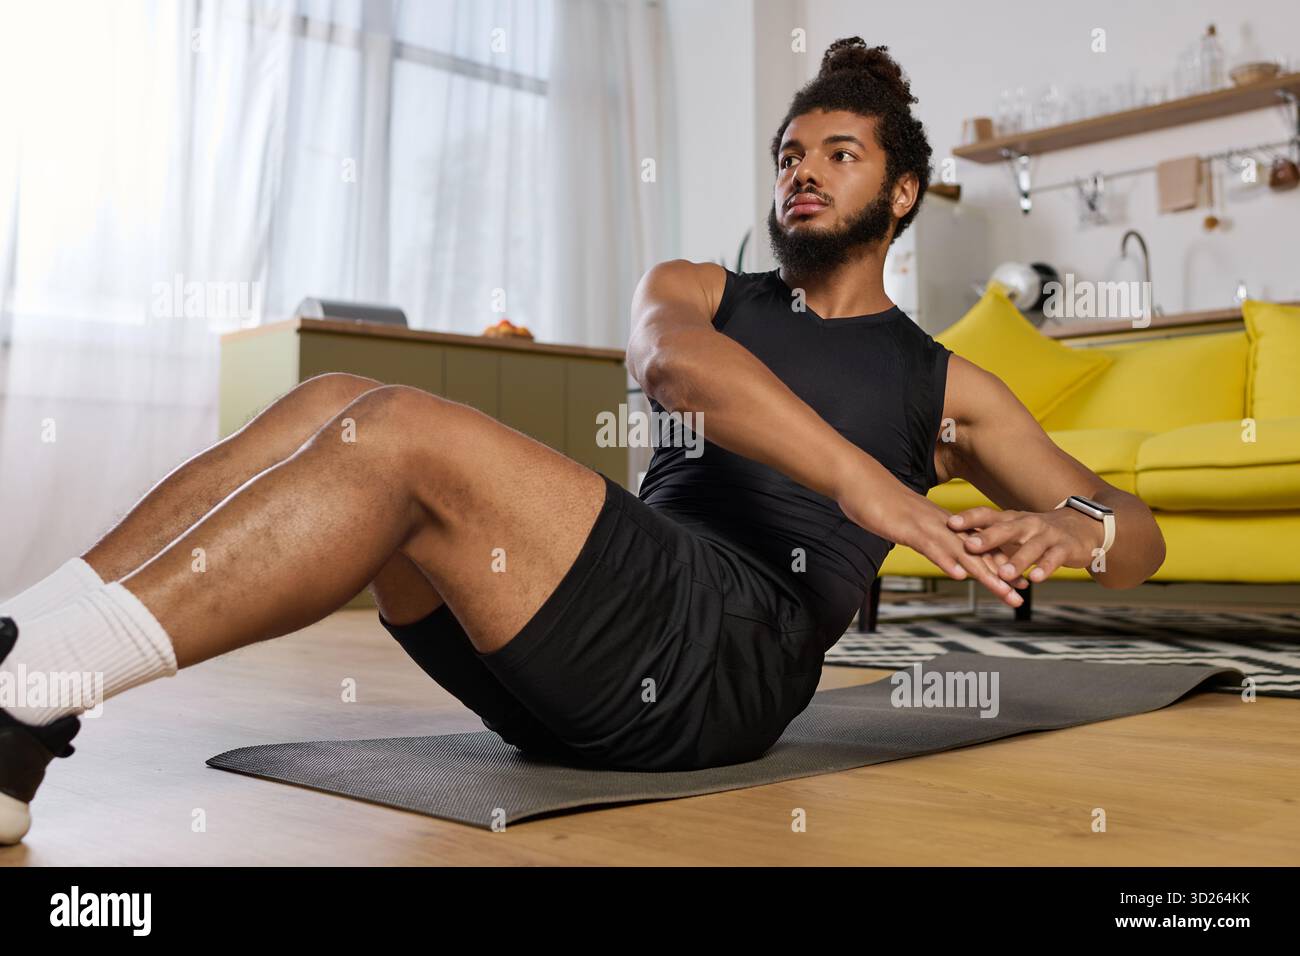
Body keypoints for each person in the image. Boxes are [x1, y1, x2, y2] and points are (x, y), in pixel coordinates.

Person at [0, 37, 1164, 844]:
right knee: (334, 396)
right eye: (788, 156)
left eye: (838, 155)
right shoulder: (700, 289)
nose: (801, 171)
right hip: (588, 633)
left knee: (396, 427)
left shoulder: (946, 382)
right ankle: (26, 662)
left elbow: (1136, 536)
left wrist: (1072, 521)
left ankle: (28, 683)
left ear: (902, 192)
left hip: (721, 666)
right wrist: (872, 489)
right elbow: (672, 367)